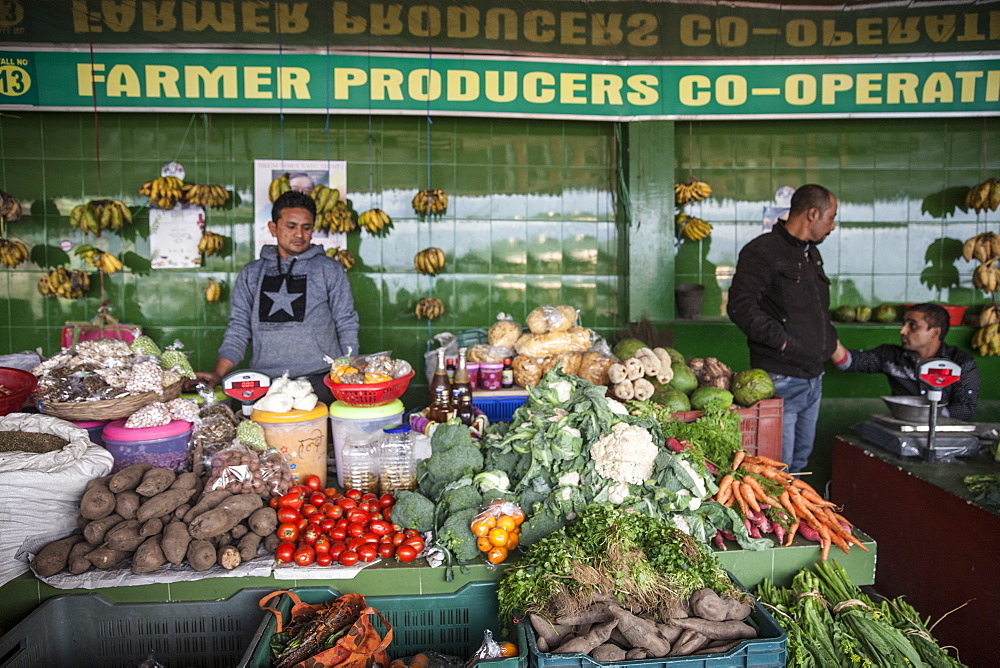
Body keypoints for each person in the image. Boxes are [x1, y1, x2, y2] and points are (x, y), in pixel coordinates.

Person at [196, 190, 359, 404]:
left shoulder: (329, 270)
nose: (299, 234)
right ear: (274, 228)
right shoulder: (252, 273)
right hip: (264, 384)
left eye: (306, 227)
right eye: (291, 226)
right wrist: (218, 374)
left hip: (321, 380)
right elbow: (238, 328)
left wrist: (349, 369)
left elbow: (346, 321)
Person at [727, 184, 839, 473]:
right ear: (812, 214)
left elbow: (815, 311)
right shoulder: (762, 251)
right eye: (831, 217)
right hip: (782, 379)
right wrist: (784, 343)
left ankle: (795, 519)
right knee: (777, 468)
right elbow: (741, 307)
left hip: (814, 377)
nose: (833, 226)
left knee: (800, 465)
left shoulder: (810, 254)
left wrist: (831, 344)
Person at [830, 303, 980, 421]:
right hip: (901, 430)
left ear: (935, 332)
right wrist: (826, 333)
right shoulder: (890, 356)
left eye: (912, 325)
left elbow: (965, 408)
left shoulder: (961, 363)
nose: (902, 331)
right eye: (904, 324)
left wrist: (922, 417)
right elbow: (848, 362)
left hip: (944, 434)